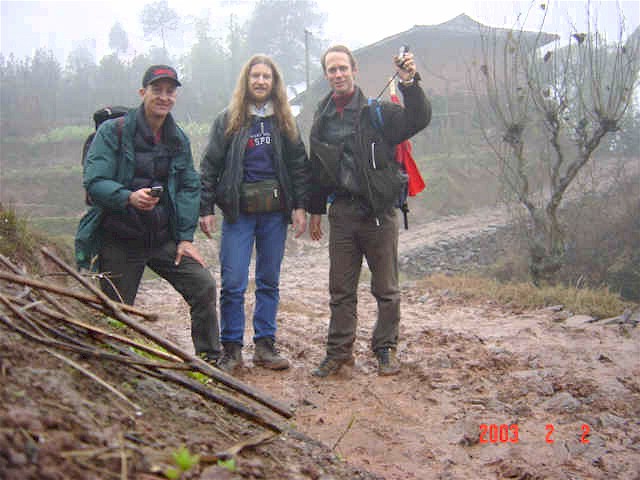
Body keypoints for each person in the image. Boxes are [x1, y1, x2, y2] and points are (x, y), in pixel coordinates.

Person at [75, 64, 221, 364]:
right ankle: (115, 366)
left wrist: (184, 238)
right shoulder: (112, 132)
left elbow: (189, 185)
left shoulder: (177, 137)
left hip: (161, 238)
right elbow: (95, 181)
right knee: (117, 315)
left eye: (170, 92)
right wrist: (128, 197)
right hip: (119, 238)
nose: (164, 97)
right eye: (157, 90)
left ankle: (210, 360)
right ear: (143, 93)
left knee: (203, 285)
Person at [308, 45, 431, 377]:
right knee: (341, 290)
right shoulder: (321, 118)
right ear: (326, 75)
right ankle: (338, 355)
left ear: (354, 70)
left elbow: (418, 118)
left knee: (386, 289)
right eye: (331, 70)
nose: (338, 74)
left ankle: (385, 349)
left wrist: (409, 83)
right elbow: (316, 167)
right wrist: (315, 210)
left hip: (379, 214)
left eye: (342, 68)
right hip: (343, 215)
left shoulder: (377, 113)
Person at [199, 54, 311, 374]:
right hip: (238, 214)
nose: (261, 81)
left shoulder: (284, 120)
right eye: (255, 76)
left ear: (275, 83)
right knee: (233, 281)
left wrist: (300, 206)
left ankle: (265, 345)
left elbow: (299, 165)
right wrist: (205, 208)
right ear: (246, 82)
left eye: (267, 76)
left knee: (268, 281)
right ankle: (231, 348)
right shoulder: (229, 119)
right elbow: (210, 166)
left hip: (274, 214)